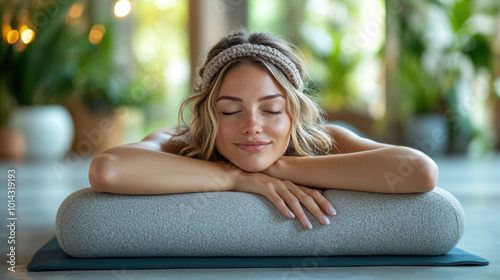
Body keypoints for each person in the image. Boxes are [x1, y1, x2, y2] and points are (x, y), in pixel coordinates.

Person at [89, 30, 438, 230]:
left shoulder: (326, 138)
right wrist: (232, 176)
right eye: (230, 110)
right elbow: (108, 169)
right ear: (209, 114)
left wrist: (279, 167)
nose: (252, 126)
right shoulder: (184, 140)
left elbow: (418, 171)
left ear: (294, 113)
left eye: (271, 109)